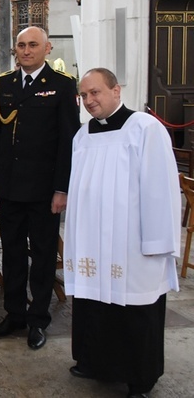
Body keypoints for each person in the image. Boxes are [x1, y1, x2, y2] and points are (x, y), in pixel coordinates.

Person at [65, 68, 180, 398]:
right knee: (92, 302)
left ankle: (139, 378)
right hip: (91, 238)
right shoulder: (83, 135)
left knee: (135, 309)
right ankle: (94, 362)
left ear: (117, 90)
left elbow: (160, 188)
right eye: (83, 95)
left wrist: (157, 242)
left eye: (96, 92)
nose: (89, 100)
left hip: (132, 241)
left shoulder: (144, 129)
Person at [0, 26, 80, 349]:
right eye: (21, 45)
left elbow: (68, 142)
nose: (26, 51)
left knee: (41, 256)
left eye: (33, 45)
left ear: (47, 48)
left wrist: (61, 189)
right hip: (10, 187)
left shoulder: (61, 86)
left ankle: (38, 318)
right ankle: (15, 313)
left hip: (43, 190)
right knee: (11, 255)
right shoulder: (5, 85)